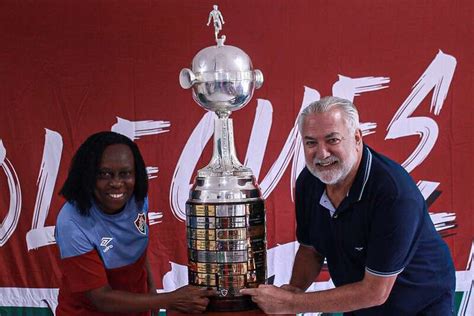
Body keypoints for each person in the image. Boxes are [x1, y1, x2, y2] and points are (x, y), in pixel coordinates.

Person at [241, 96, 455, 315]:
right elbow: (311, 250)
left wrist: (291, 303)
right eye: (311, 142)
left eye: (332, 140)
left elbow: (375, 292)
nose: (322, 154)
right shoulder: (309, 181)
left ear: (356, 138)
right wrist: (293, 292)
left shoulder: (394, 194)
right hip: (358, 301)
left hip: (419, 303)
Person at [55, 131, 214, 315]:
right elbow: (102, 299)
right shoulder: (71, 222)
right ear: (88, 175)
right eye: (105, 174)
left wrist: (152, 291)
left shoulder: (137, 197)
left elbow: (136, 245)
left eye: (125, 173)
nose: (116, 183)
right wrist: (169, 300)